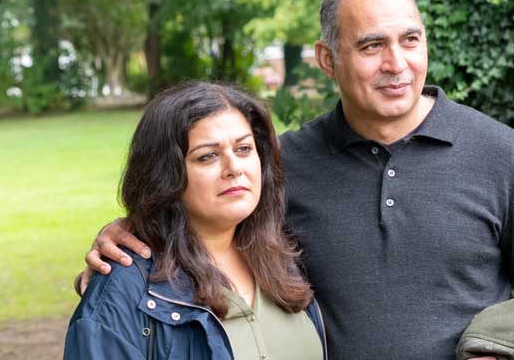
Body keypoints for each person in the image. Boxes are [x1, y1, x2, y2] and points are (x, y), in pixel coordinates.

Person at [77, 0, 514, 359]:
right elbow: (209, 221)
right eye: (372, 45)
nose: (397, 64)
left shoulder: (502, 155)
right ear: (328, 60)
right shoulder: (281, 164)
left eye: (410, 40)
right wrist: (134, 233)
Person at [64, 82, 325, 359]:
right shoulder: (125, 289)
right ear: (165, 174)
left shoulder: (286, 256)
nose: (234, 168)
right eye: (208, 156)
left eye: (244, 149)